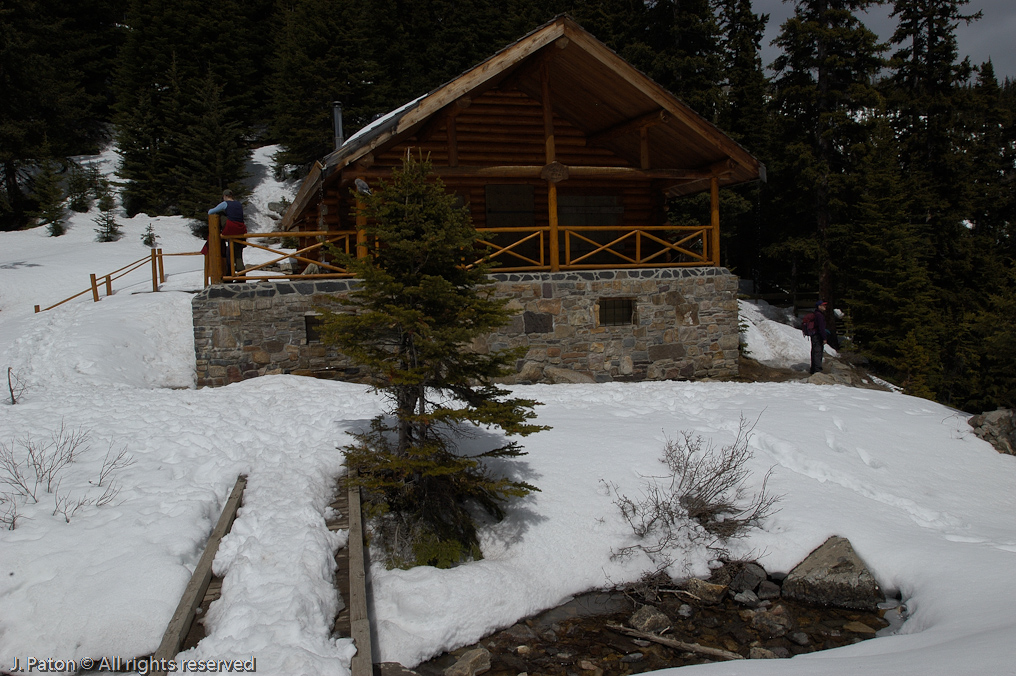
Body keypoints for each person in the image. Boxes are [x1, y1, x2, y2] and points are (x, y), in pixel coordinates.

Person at [208, 189, 246, 275]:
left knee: (229, 254)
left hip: (231, 229)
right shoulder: (239, 204)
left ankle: (229, 275)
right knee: (238, 254)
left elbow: (211, 212)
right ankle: (242, 275)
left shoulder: (225, 204)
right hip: (240, 229)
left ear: (225, 196)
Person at [809, 300, 829, 374]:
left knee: (814, 351)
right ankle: (818, 370)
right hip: (818, 336)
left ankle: (813, 369)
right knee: (818, 352)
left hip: (814, 335)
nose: (825, 306)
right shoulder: (819, 315)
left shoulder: (816, 314)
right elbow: (821, 328)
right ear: (819, 306)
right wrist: (824, 338)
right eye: (823, 305)